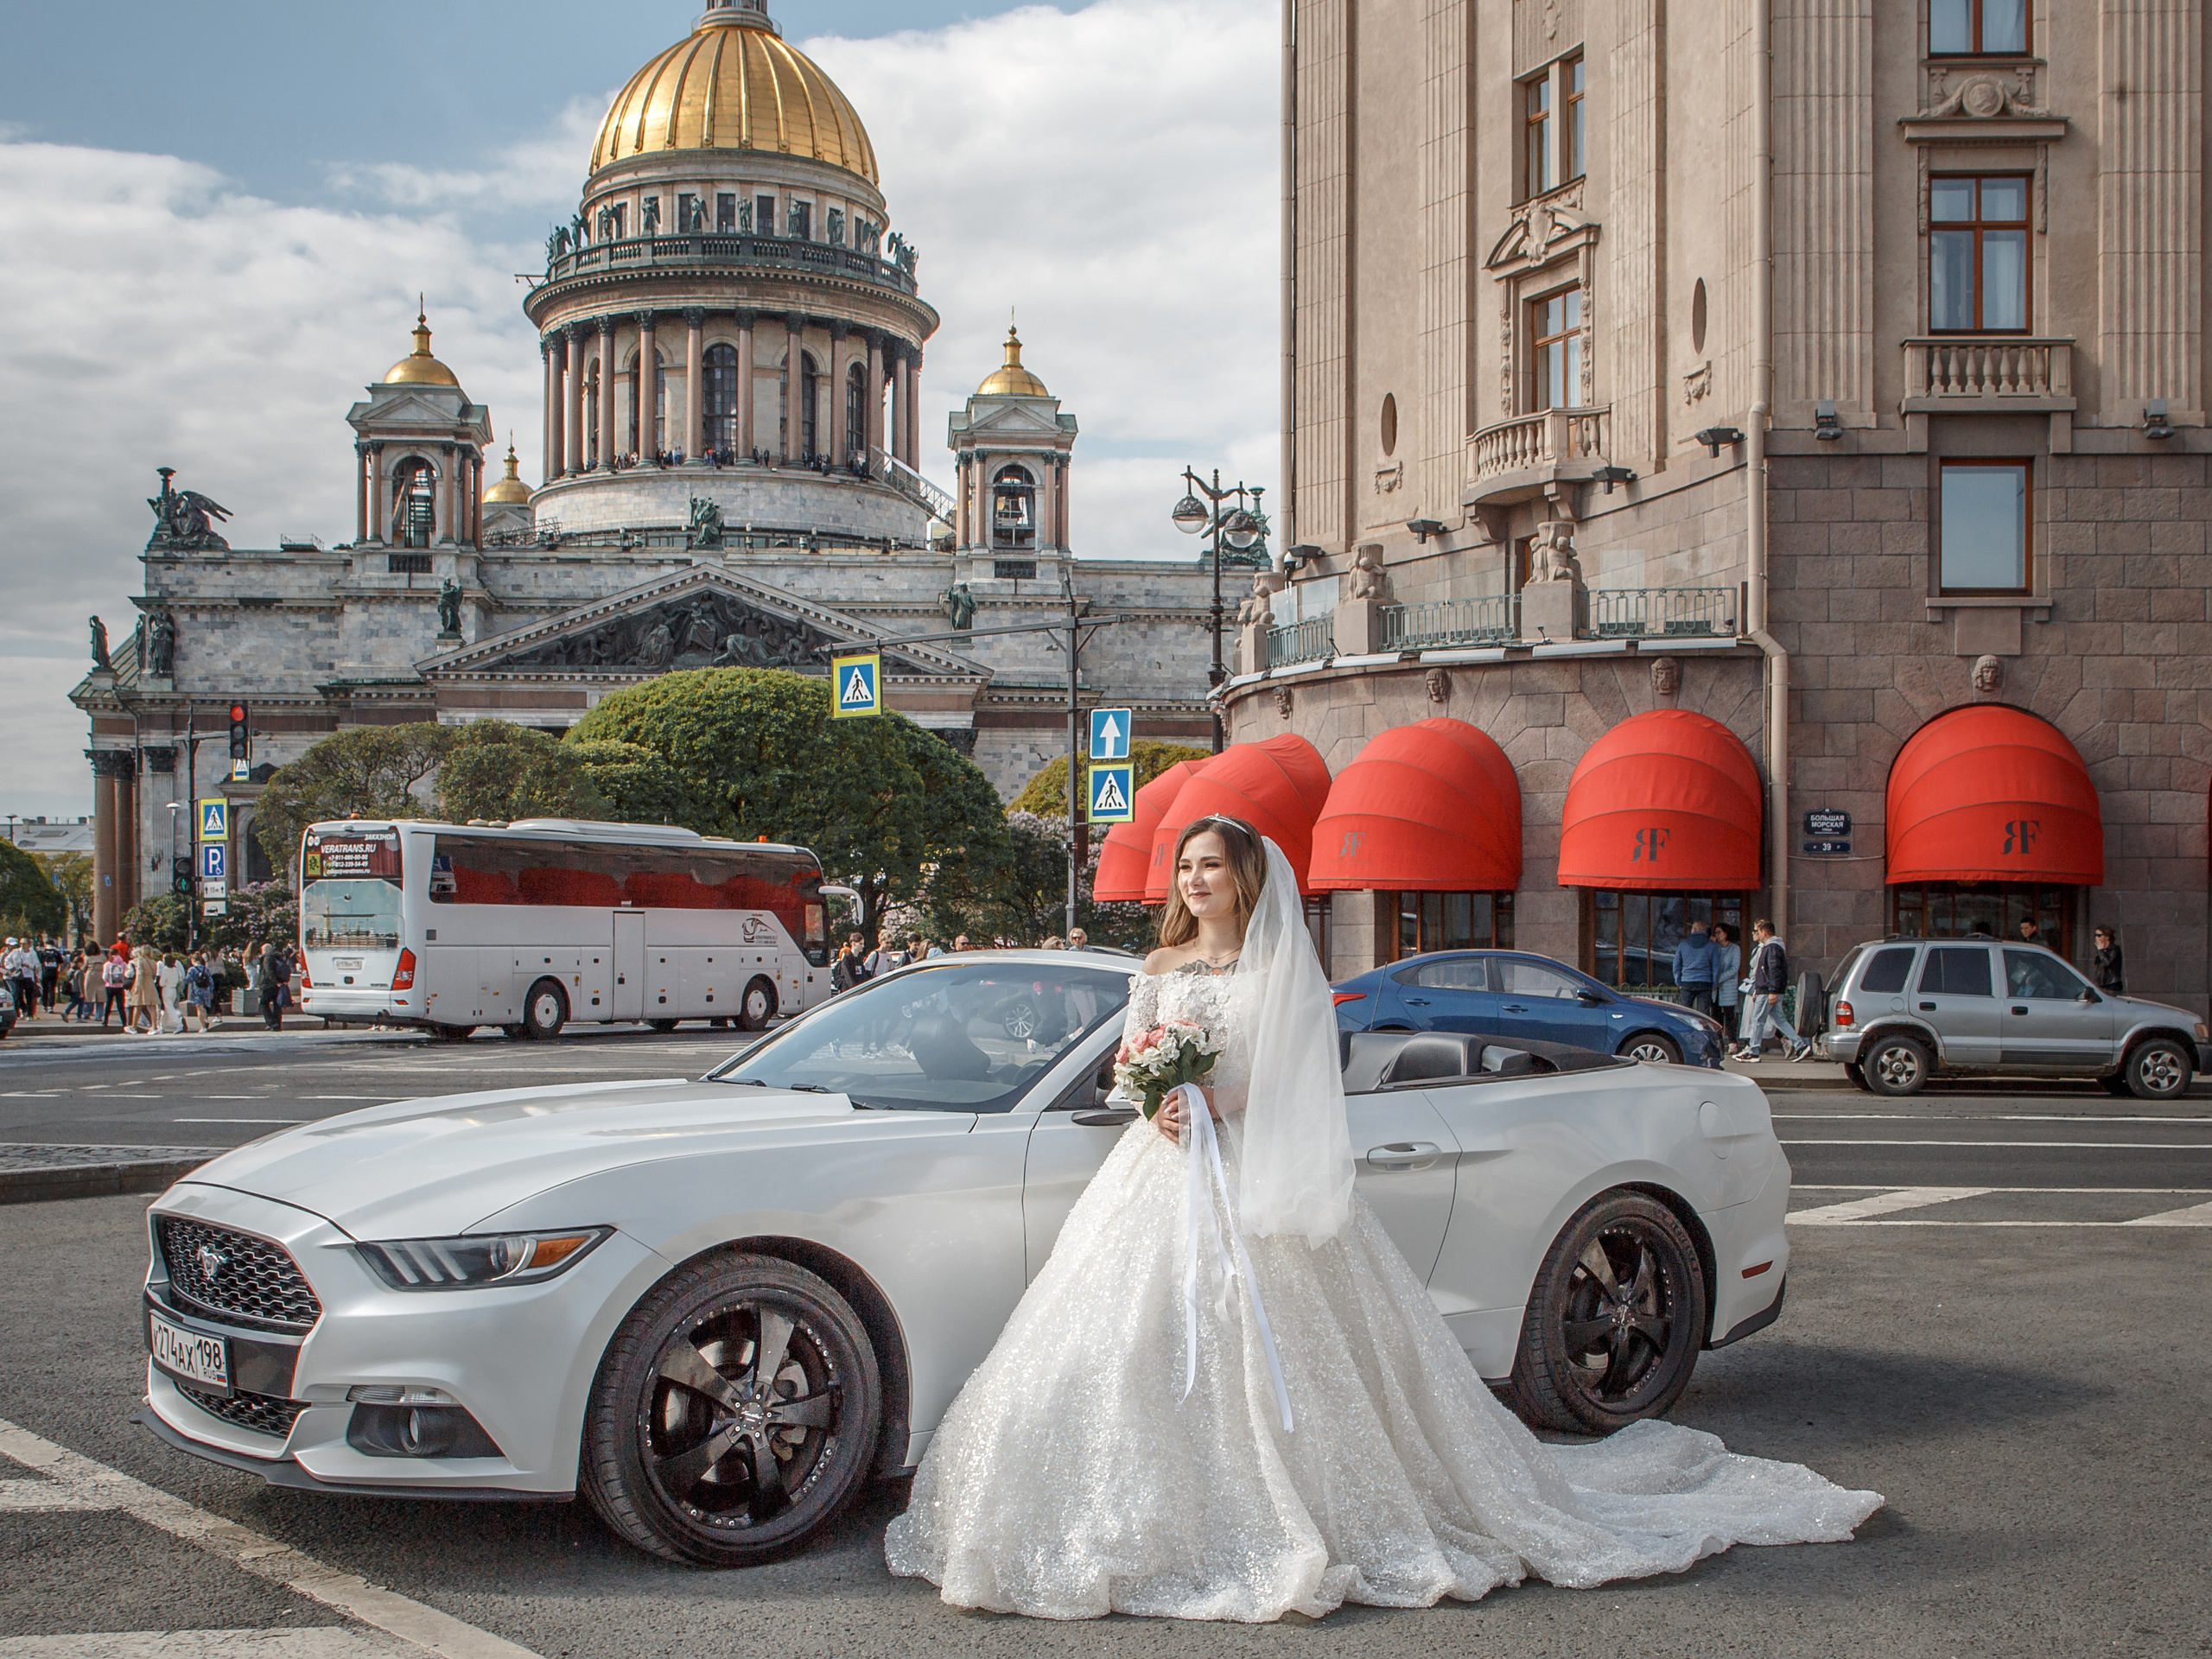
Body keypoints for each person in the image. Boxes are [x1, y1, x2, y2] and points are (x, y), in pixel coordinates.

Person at [886, 815, 1880, 1619]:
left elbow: (1296, 1082)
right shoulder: (1156, 970)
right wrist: (1159, 1099)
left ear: (1246, 880)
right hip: (1156, 1177)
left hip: (1250, 1179)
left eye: (1211, 867)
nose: (1193, 881)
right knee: (1109, 1344)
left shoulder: (1281, 977)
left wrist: (1216, 1104)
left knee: (1272, 1348)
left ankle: (1294, 1516)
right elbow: (1128, 1064)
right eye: (1184, 866)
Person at [1733, 919, 1809, 1062]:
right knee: (1779, 1020)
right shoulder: (1773, 947)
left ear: (1765, 932)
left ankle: (1754, 1051)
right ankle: (1800, 1045)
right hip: (1769, 990)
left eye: (1759, 931)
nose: (1758, 935)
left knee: (1758, 1020)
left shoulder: (1771, 948)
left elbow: (1773, 971)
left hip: (1767, 990)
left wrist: (1772, 991)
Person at [1670, 918, 1716, 1014]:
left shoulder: (1683, 944)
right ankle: (1703, 1029)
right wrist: (1714, 983)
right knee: (1704, 1014)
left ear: (1694, 930)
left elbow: (1676, 965)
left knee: (1685, 1013)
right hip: (1705, 982)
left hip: (1687, 981)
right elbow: (1716, 967)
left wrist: (1678, 981)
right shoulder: (1712, 945)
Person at [1711, 923, 1742, 1035]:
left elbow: (1734, 968)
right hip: (1716, 989)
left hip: (1728, 986)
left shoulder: (1734, 948)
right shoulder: (1715, 948)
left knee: (1729, 1015)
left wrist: (1718, 978)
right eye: (1716, 933)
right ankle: (1718, 1041)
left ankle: (1732, 1040)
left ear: (1726, 933)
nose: (1717, 935)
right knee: (1715, 1015)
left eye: (1719, 932)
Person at [126, 942, 162, 1034]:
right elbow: (154, 975)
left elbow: (139, 975)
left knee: (138, 1006)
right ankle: (154, 1027)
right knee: (153, 1006)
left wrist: (136, 987)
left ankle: (133, 1027)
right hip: (151, 984)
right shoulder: (154, 962)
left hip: (143, 984)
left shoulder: (141, 961)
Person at [99, 948, 131, 1029]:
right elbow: (126, 974)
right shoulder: (123, 964)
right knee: (120, 1006)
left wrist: (108, 982)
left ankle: (105, 1021)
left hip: (109, 987)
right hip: (120, 987)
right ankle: (124, 1022)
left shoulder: (107, 964)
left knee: (108, 1004)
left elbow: (105, 976)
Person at [2093, 926, 2125, 995]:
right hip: (2101, 985)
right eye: (2095, 935)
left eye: (2099, 936)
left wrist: (2100, 950)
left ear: (2107, 937)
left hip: (2112, 984)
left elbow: (2106, 963)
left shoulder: (2114, 950)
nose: (2096, 938)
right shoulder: (2101, 951)